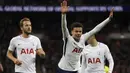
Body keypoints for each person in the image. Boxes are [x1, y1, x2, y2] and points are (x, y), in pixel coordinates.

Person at [57, 0, 114, 73]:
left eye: (80, 31)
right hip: (63, 69)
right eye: (76, 31)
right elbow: (64, 27)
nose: (78, 33)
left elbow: (96, 29)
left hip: (76, 70)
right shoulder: (68, 38)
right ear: (71, 32)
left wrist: (109, 19)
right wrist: (63, 15)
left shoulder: (83, 38)